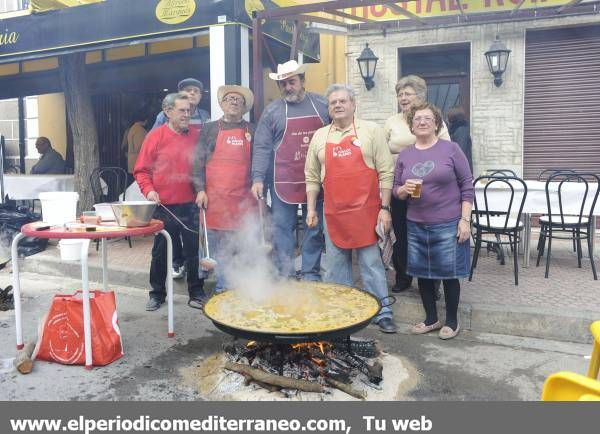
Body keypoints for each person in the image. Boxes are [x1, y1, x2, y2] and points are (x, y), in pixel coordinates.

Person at [305, 84, 397, 334]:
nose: (337, 105)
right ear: (329, 108)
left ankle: (382, 311)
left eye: (343, 101)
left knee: (371, 264)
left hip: (367, 211)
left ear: (354, 104)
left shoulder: (371, 131)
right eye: (333, 102)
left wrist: (385, 208)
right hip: (333, 212)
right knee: (335, 267)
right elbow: (311, 176)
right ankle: (340, 310)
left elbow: (386, 171)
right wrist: (311, 209)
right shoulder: (320, 136)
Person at [393, 102, 473, 340]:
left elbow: (467, 185)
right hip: (415, 223)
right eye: (417, 119)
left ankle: (452, 320)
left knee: (448, 274)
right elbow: (396, 189)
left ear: (437, 123)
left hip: (448, 222)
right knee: (423, 273)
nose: (422, 122)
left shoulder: (451, 149)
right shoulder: (406, 155)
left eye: (428, 118)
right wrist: (403, 191)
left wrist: (465, 220)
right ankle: (431, 318)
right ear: (411, 125)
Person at [251, 60, 328, 281]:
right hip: (282, 181)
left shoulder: (322, 105)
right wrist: (257, 178)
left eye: (292, 82)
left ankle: (310, 272)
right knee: (283, 229)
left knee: (314, 228)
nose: (287, 87)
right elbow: (262, 147)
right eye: (283, 84)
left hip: (317, 182)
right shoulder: (272, 112)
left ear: (303, 82)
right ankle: (285, 274)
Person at [134, 93, 206, 311]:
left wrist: (203, 190)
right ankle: (157, 294)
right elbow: (142, 171)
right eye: (182, 110)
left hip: (191, 204)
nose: (187, 114)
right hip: (163, 206)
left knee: (194, 251)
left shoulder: (197, 136)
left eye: (189, 110)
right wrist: (149, 191)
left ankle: (196, 292)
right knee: (161, 251)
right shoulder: (155, 137)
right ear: (168, 112)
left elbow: (204, 167)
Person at [384, 75, 451, 293]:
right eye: (400, 94)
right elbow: (382, 152)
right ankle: (403, 277)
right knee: (401, 234)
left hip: (428, 189)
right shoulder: (392, 122)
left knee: (428, 234)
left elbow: (446, 150)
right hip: (400, 187)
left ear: (420, 96)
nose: (403, 98)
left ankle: (433, 281)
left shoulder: (430, 120)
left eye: (407, 94)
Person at [192, 85, 255, 294]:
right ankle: (222, 288)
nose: (234, 101)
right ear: (221, 104)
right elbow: (197, 162)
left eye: (238, 99)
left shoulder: (251, 130)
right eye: (229, 98)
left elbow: (259, 162)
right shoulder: (209, 129)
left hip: (243, 198)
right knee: (220, 247)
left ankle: (244, 286)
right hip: (215, 198)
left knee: (242, 243)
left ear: (244, 107)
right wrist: (200, 189)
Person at [153, 78, 210, 280]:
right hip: (166, 196)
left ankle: (196, 285)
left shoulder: (204, 118)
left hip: (192, 192)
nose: (192, 94)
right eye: (188, 90)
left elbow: (205, 153)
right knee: (165, 242)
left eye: (196, 91)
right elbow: (156, 147)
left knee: (192, 241)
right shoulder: (162, 120)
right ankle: (173, 269)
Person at [122, 111, 148, 181]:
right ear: (145, 120)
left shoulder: (132, 128)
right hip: (138, 162)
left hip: (131, 162)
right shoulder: (141, 130)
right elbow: (141, 147)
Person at [447, 106, 473, 172]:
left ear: (453, 117)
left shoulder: (461, 130)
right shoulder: (455, 129)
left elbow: (460, 151)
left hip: (461, 169)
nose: (447, 118)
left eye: (448, 115)